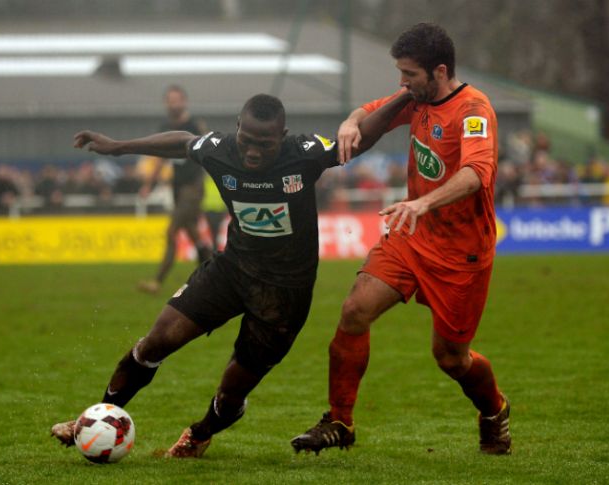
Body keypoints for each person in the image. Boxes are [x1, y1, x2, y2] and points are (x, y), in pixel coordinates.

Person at [50, 94, 394, 458]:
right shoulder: (220, 149)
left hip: (284, 296)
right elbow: (183, 142)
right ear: (237, 130)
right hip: (232, 270)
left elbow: (359, 140)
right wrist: (119, 147)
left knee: (231, 393)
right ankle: (96, 419)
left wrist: (404, 98)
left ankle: (199, 434)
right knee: (155, 342)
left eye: (265, 144)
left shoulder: (305, 153)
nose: (253, 152)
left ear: (283, 136)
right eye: (247, 141)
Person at [290, 23, 511, 456]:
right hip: (411, 236)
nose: (402, 82)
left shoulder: (474, 111)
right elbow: (366, 111)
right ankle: (340, 421)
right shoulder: (416, 100)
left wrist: (424, 203)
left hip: (461, 254)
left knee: (451, 359)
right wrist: (350, 122)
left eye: (409, 74)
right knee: (354, 310)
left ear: (439, 71)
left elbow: (475, 174)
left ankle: (494, 411)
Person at [137, 84, 212, 294]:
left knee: (171, 231)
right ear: (165, 103)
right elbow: (160, 160)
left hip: (193, 188)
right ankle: (212, 277)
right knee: (195, 235)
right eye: (170, 99)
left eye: (177, 99)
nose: (174, 103)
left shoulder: (195, 126)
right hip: (177, 189)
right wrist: (148, 185)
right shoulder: (164, 127)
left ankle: (157, 282)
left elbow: (209, 152)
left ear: (184, 101)